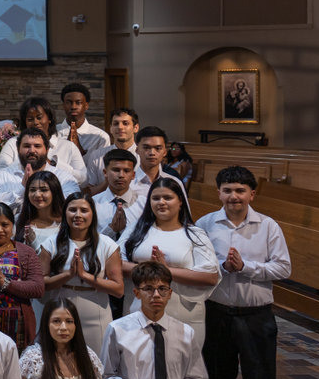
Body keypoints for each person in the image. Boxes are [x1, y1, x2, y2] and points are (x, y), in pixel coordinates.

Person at [196, 166, 291, 379]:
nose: (233, 196)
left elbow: (283, 268)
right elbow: (197, 264)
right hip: (217, 314)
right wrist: (223, 267)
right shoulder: (205, 224)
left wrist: (245, 267)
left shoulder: (268, 226)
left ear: (252, 194)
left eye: (240, 190)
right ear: (218, 193)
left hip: (255, 316)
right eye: (227, 190)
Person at [122, 177, 220, 350]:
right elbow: (116, 262)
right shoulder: (137, 229)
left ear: (180, 201)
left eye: (167, 197)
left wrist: (165, 271)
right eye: (156, 198)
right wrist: (149, 270)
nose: (161, 202)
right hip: (139, 307)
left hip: (183, 311)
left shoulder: (194, 234)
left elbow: (210, 276)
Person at [40, 192, 124, 354]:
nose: (78, 215)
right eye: (72, 210)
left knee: (96, 362)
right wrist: (69, 275)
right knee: (58, 359)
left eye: (84, 210)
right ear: (65, 213)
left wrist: (85, 276)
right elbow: (41, 284)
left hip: (95, 314)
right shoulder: (51, 243)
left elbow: (118, 289)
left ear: (93, 214)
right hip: (60, 311)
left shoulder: (107, 244)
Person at [0, 202, 43, 354]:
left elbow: (38, 288)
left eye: (5, 225)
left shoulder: (26, 252)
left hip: (18, 323)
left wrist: (6, 283)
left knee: (16, 364)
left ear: (13, 226)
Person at [0, 97, 87, 185]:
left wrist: (53, 164)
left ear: (49, 119)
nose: (35, 122)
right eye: (30, 119)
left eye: (39, 117)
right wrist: (23, 165)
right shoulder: (13, 143)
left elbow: (84, 179)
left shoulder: (68, 146)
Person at [0, 128, 80, 206]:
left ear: (47, 149)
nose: (32, 151)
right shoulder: (2, 177)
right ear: (18, 149)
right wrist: (22, 190)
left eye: (37, 146)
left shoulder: (64, 178)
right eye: (26, 146)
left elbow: (72, 204)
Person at [92, 149, 144, 241]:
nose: (121, 175)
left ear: (133, 175)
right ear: (105, 173)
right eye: (116, 170)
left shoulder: (144, 204)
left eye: (126, 171)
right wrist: (111, 230)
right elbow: (87, 240)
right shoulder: (92, 204)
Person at [85, 108, 140, 195]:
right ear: (111, 128)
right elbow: (90, 192)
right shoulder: (97, 156)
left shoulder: (143, 157)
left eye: (125, 123)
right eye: (116, 123)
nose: (120, 127)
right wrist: (107, 182)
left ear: (135, 128)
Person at [15, 170, 65, 256]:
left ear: (54, 192)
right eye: (32, 190)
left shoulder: (65, 222)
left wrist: (34, 243)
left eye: (43, 190)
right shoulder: (18, 220)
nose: (37, 194)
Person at [57, 83, 111, 161]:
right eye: (69, 102)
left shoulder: (100, 137)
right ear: (63, 105)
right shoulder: (52, 133)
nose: (73, 107)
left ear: (86, 106)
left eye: (78, 103)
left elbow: (102, 166)